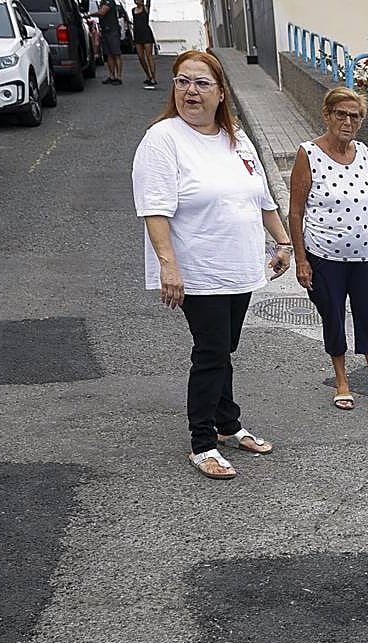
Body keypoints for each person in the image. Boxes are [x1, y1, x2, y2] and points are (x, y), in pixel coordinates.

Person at [131, 50, 293, 480]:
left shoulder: (235, 137)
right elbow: (155, 210)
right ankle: (203, 441)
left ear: (221, 93)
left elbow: (261, 197)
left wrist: (283, 241)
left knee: (224, 349)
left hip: (238, 266)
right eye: (183, 81)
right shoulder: (162, 139)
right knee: (211, 351)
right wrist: (169, 266)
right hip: (198, 270)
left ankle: (228, 423)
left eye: (202, 83)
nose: (191, 91)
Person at [288, 88, 368, 412]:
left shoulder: (363, 152)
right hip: (325, 257)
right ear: (327, 115)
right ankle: (341, 381)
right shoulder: (308, 153)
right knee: (333, 318)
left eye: (355, 116)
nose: (348, 121)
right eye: (341, 113)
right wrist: (301, 260)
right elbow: (295, 211)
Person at [94, 0, 125, 85]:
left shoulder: (109, 1)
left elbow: (102, 12)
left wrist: (89, 15)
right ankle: (111, 76)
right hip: (105, 31)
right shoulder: (102, 2)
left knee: (116, 54)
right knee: (109, 54)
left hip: (112, 31)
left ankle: (118, 77)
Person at [131, 0, 156, 89]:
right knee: (140, 57)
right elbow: (134, 23)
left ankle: (153, 77)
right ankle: (148, 75)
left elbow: (149, 2)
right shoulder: (133, 10)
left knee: (149, 56)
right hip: (137, 35)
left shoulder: (145, 8)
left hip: (146, 34)